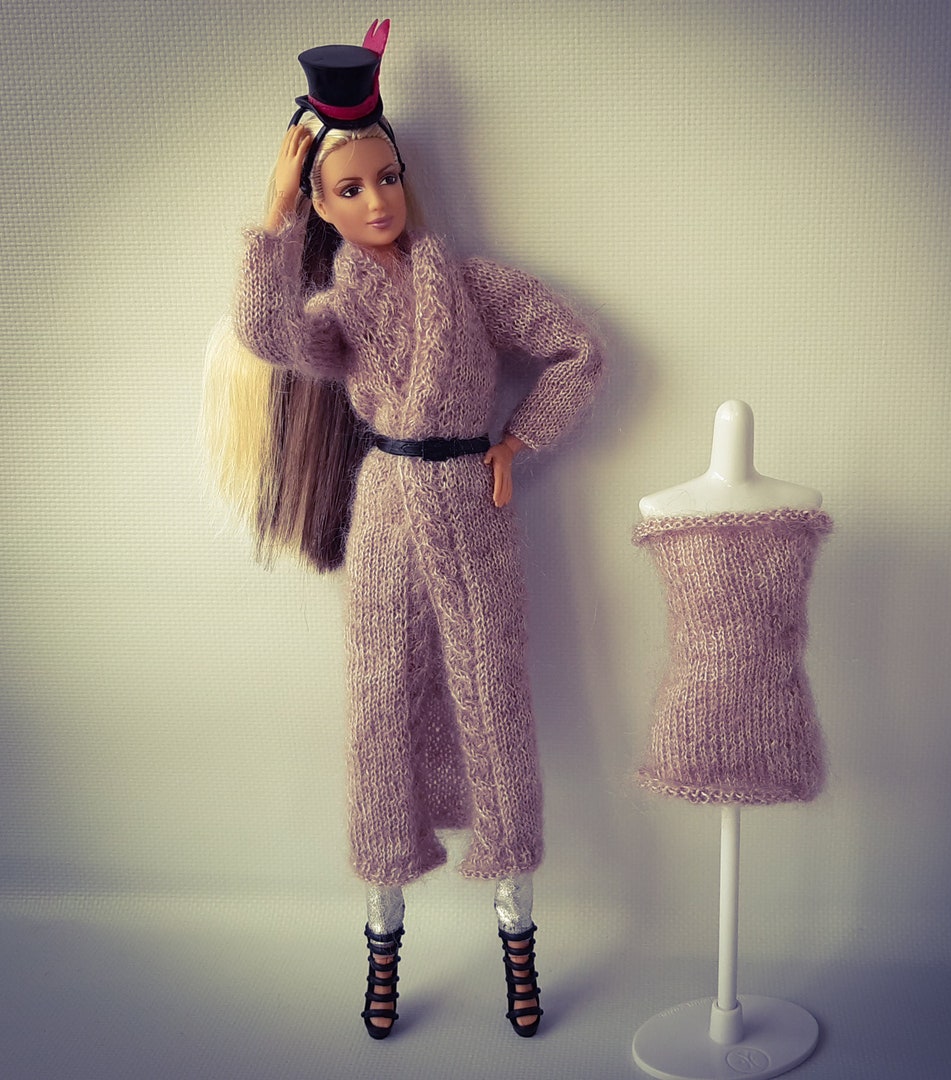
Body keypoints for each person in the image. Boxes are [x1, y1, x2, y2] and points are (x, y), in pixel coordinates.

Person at [208, 21, 603, 1039]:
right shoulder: (338, 310)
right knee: (380, 711)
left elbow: (577, 351)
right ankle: (382, 946)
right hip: (387, 512)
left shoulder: (472, 285)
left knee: (495, 705)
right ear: (323, 206)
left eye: (387, 177)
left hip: (473, 509)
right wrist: (274, 213)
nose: (377, 200)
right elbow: (265, 333)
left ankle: (519, 937)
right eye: (349, 189)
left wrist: (516, 440)